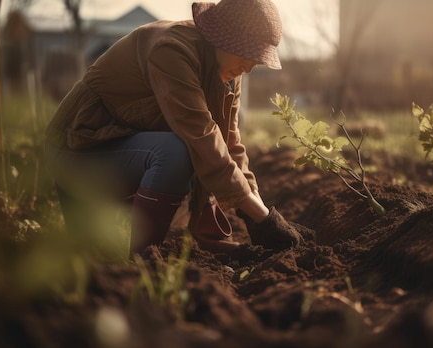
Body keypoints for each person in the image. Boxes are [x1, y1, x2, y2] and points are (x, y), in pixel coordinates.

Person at [44, 0, 312, 259]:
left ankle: (185, 241)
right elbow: (201, 136)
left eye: (257, 59)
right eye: (248, 54)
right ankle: (143, 259)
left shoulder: (228, 70)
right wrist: (262, 217)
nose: (251, 67)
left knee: (197, 154)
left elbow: (229, 144)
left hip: (125, 150)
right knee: (177, 152)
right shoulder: (171, 50)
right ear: (221, 38)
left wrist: (259, 213)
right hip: (77, 152)